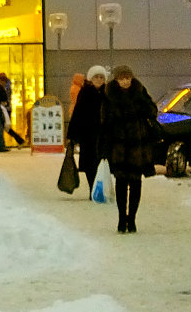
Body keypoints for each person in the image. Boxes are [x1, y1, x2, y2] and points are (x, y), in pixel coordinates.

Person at [99, 64, 158, 233]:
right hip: (118, 145)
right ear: (116, 79)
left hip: (138, 145)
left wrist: (140, 108)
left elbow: (152, 110)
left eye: (128, 78)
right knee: (121, 183)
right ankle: (121, 218)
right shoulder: (109, 95)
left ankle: (132, 219)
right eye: (121, 78)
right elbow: (104, 122)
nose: (125, 82)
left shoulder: (139, 91)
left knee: (136, 183)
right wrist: (104, 147)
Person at [66, 65, 107, 197]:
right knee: (90, 164)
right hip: (88, 135)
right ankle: (92, 189)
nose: (99, 80)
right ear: (91, 78)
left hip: (104, 135)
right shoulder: (85, 93)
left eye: (101, 77)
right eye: (96, 77)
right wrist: (72, 136)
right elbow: (78, 113)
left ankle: (102, 188)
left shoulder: (108, 93)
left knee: (104, 162)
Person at [0, 73, 25, 146]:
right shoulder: (7, 87)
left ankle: (19, 140)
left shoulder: (6, 88)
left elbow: (5, 99)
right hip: (6, 109)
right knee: (5, 127)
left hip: (5, 109)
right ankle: (19, 140)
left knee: (5, 127)